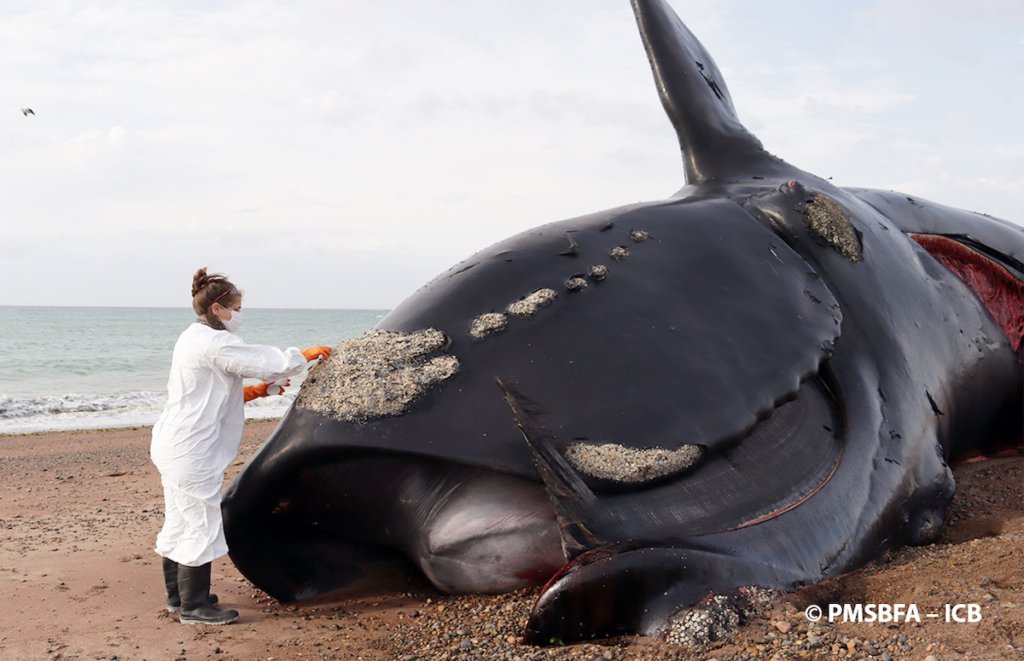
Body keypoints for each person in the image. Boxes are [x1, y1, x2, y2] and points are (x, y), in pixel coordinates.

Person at [151, 268, 333, 625]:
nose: (239, 313)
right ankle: (195, 606)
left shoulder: (192, 337)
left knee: (180, 519)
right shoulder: (216, 343)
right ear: (218, 308)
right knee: (200, 522)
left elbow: (208, 390)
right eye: (236, 306)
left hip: (174, 441)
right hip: (192, 450)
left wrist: (251, 393)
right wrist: (304, 355)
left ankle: (179, 596)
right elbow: (265, 363)